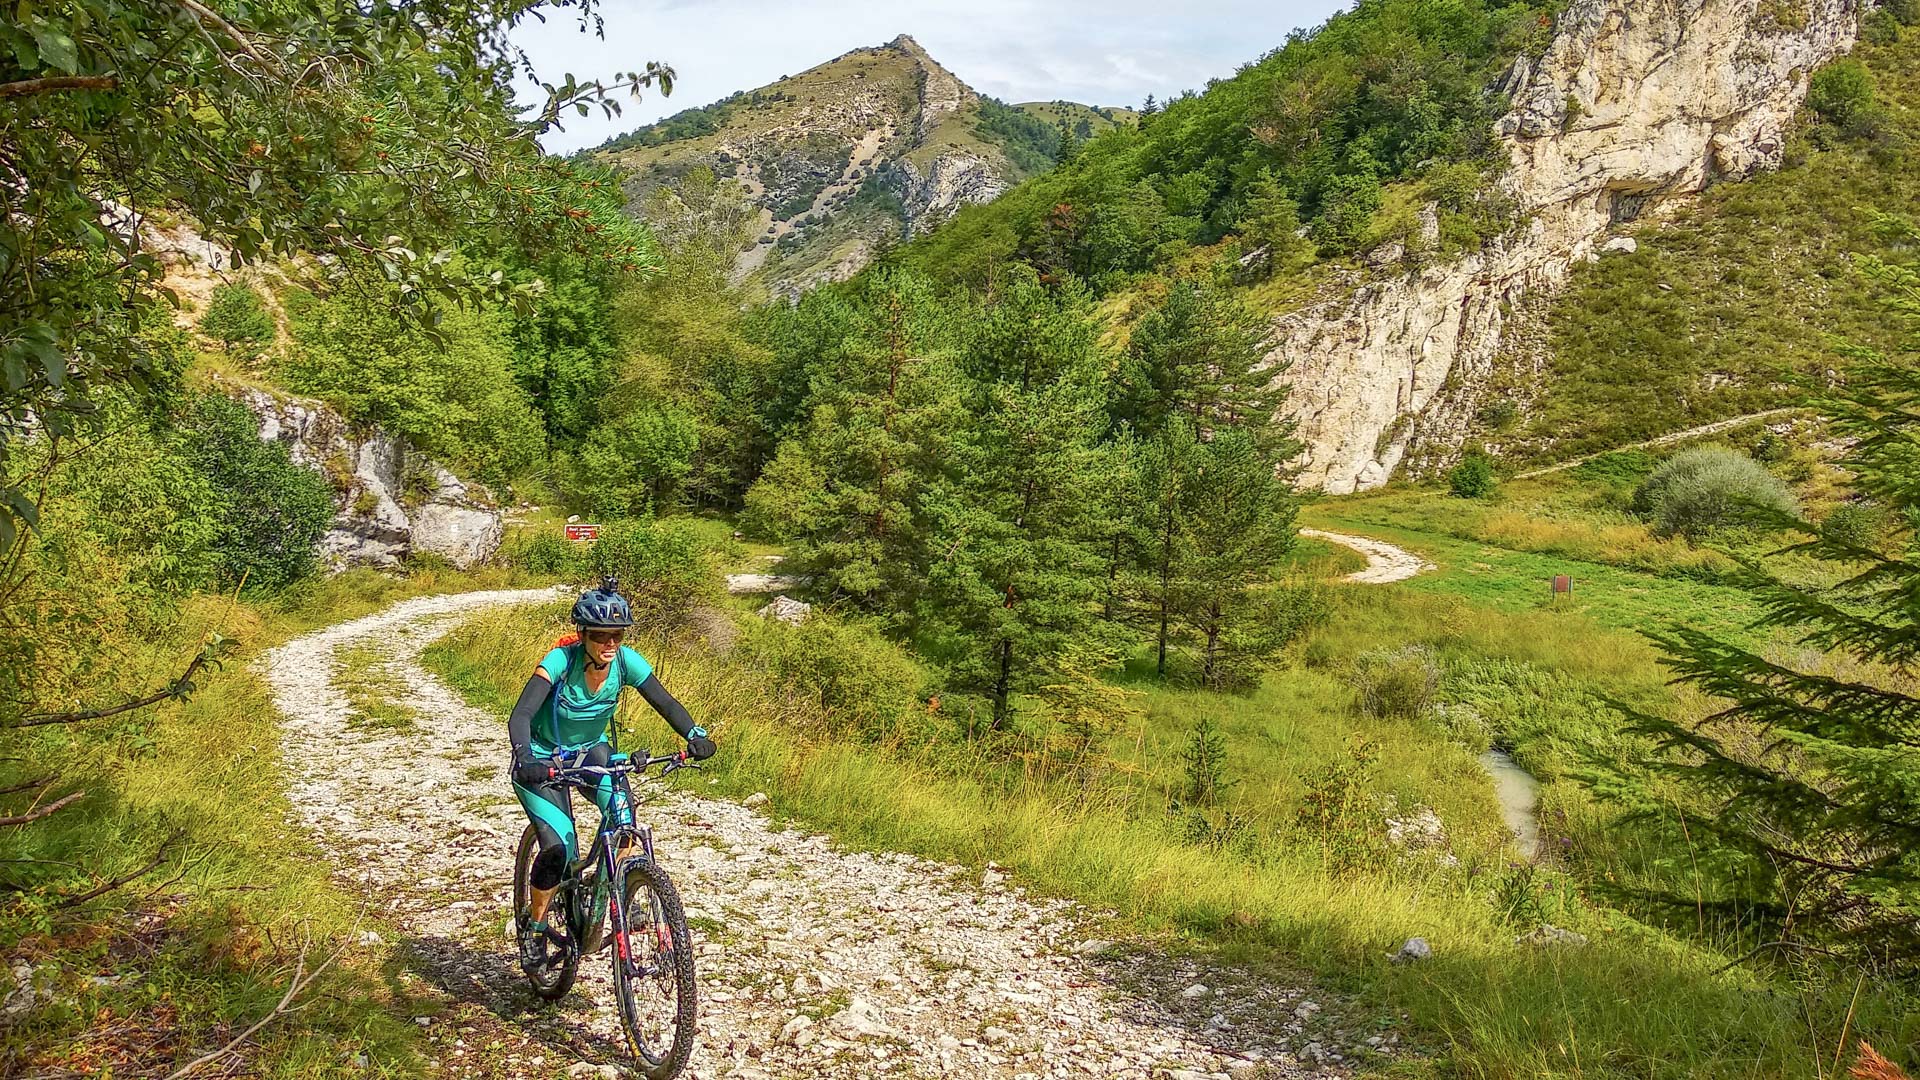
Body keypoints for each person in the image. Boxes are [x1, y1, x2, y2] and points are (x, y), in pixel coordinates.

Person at [508, 577, 715, 972]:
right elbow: (521, 714)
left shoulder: (625, 662)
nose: (609, 642)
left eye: (616, 634)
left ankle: (617, 893)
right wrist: (523, 757)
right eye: (601, 634)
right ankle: (534, 927)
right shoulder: (560, 661)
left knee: (624, 822)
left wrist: (694, 734)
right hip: (541, 757)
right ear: (583, 633)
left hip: (592, 753)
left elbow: (664, 701)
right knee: (558, 849)